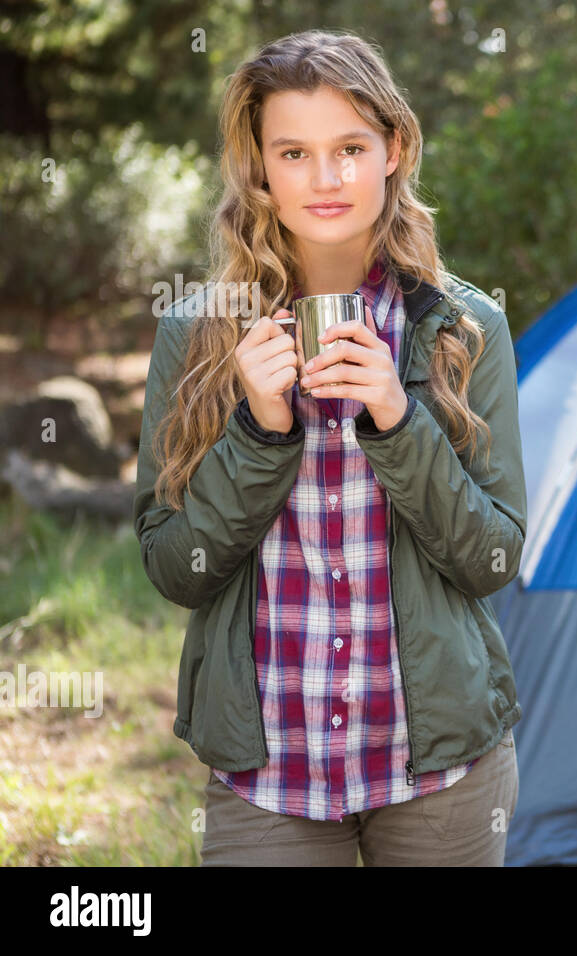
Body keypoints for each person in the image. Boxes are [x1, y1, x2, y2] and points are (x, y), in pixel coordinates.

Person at [132, 29, 526, 866]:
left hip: (442, 779)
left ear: (394, 149)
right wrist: (258, 433)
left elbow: (493, 560)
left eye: (350, 146)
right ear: (260, 169)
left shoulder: (465, 329)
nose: (327, 177)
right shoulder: (195, 335)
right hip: (267, 777)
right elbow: (175, 570)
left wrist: (398, 422)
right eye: (295, 151)